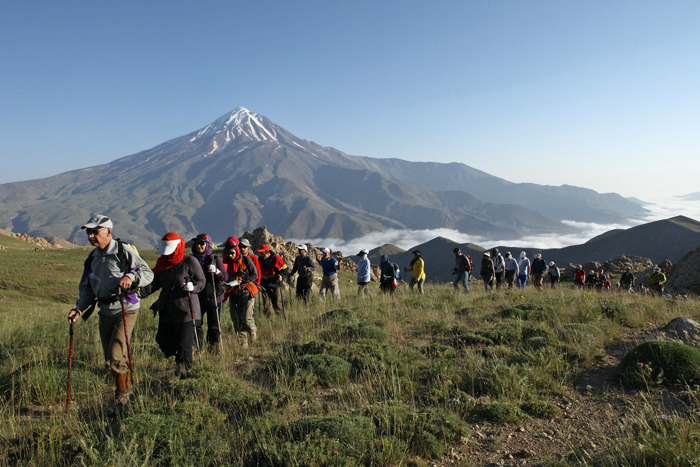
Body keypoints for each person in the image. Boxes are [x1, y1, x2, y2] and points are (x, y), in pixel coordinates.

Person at [68, 215, 153, 405]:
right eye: (89, 232)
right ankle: (124, 389)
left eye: (94, 232)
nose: (90, 236)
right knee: (110, 359)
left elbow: (147, 273)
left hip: (127, 307)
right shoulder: (92, 258)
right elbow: (87, 290)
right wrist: (79, 309)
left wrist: (131, 277)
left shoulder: (124, 251)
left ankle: (123, 395)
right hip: (105, 310)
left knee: (116, 353)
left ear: (109, 232)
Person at [150, 233, 205, 379]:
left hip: (186, 310)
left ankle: (184, 372)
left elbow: (201, 281)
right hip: (167, 309)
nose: (168, 256)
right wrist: (137, 292)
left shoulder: (189, 261)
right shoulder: (163, 263)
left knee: (184, 344)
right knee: (163, 339)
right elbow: (155, 283)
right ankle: (179, 361)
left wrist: (192, 288)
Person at [190, 233, 228, 348]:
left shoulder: (214, 259)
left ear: (207, 245)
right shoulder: (191, 260)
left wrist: (217, 272)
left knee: (214, 326)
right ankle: (198, 347)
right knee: (196, 324)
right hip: (197, 298)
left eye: (202, 244)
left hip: (214, 297)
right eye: (197, 243)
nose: (199, 246)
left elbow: (225, 277)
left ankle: (213, 349)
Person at [222, 237, 260, 347]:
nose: (230, 255)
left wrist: (242, 280)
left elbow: (255, 275)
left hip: (248, 292)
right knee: (236, 320)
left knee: (246, 318)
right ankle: (243, 344)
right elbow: (223, 278)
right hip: (233, 293)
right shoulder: (225, 263)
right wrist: (231, 281)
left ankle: (253, 332)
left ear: (236, 250)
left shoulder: (246, 260)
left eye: (232, 252)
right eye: (228, 253)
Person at [256, 244, 287, 316]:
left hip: (275, 284)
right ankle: (269, 321)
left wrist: (281, 276)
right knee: (266, 306)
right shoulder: (259, 260)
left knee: (277, 304)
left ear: (267, 252)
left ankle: (280, 320)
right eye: (260, 253)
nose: (260, 254)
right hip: (264, 285)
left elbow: (285, 270)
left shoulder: (277, 258)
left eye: (262, 253)